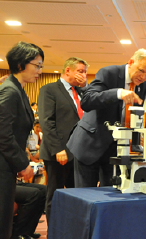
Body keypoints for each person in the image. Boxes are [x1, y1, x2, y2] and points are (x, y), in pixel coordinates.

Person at [67, 48, 146, 187]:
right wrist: (118, 93)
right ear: (131, 62)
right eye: (141, 70)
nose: (143, 77)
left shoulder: (142, 86)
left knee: (111, 196)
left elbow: (134, 116)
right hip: (90, 144)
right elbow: (87, 101)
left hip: (116, 150)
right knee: (86, 197)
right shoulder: (109, 73)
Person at [38, 57, 88, 225]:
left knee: (78, 194)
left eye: (85, 72)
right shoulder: (49, 89)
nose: (83, 75)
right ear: (67, 70)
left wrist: (86, 87)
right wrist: (58, 149)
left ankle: (73, 228)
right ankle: (54, 231)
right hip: (58, 152)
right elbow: (47, 122)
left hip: (78, 152)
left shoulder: (81, 92)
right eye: (80, 71)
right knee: (55, 194)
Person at [0, 41, 43, 240]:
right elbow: (3, 133)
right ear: (20, 65)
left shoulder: (19, 89)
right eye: (37, 65)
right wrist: (22, 163)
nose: (40, 71)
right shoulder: (10, 91)